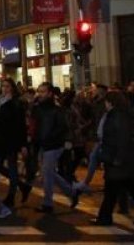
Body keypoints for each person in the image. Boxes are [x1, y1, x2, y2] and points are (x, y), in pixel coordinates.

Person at [93, 91, 134, 226]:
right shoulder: (119, 115)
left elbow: (122, 139)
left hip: (119, 159)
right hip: (121, 159)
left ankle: (104, 218)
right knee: (131, 189)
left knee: (114, 191)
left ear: (110, 102)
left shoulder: (118, 117)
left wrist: (118, 158)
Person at [31, 83, 76, 214]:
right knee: (49, 172)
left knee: (47, 173)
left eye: (43, 92)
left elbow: (62, 127)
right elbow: (34, 125)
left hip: (54, 144)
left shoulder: (57, 109)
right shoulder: (37, 108)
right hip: (43, 144)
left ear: (50, 93)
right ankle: (72, 192)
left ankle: (47, 203)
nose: (40, 94)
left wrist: (51, 137)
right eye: (39, 91)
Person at [0, 78, 31, 207]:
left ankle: (11, 196)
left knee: (12, 167)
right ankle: (22, 186)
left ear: (13, 88)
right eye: (3, 86)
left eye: (7, 86)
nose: (4, 89)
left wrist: (23, 144)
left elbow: (20, 125)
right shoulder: (0, 101)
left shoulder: (16, 103)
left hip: (11, 140)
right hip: (1, 140)